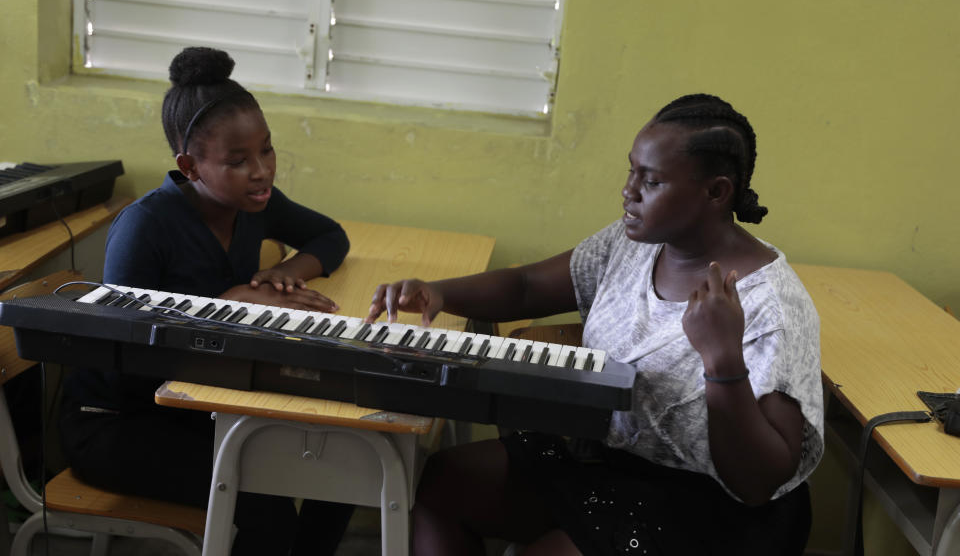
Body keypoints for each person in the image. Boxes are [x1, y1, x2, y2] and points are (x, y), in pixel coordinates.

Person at [365, 94, 824, 556]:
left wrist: (722, 360)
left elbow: (759, 481)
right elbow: (527, 286)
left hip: (710, 509)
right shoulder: (636, 243)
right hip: (606, 462)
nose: (629, 191)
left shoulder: (772, 306)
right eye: (631, 171)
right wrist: (440, 293)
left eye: (652, 180)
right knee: (440, 484)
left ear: (716, 192)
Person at [59, 46, 354, 556]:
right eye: (238, 160)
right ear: (190, 165)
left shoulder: (253, 204)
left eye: (267, 150)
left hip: (206, 401)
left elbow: (330, 236)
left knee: (347, 463)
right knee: (266, 500)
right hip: (118, 422)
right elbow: (123, 358)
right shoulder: (146, 227)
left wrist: (283, 274)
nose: (261, 171)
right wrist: (229, 303)